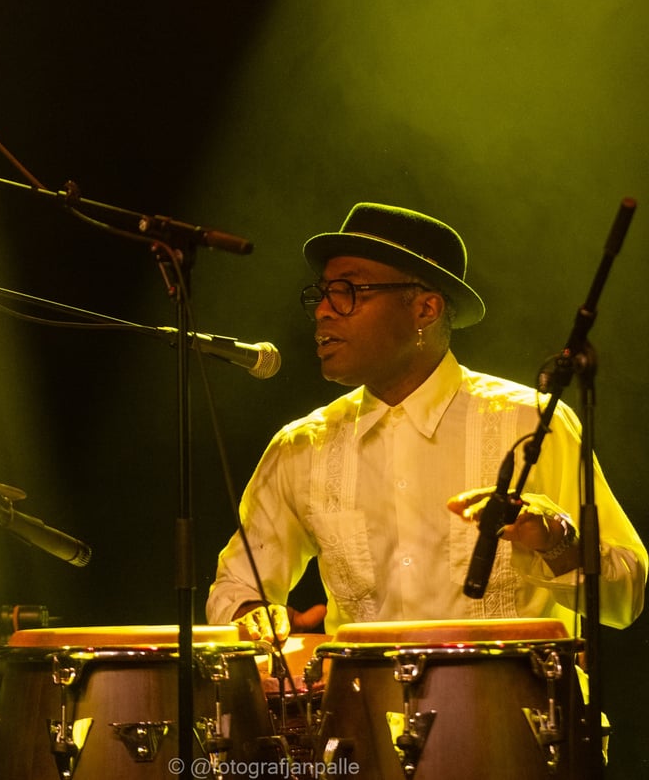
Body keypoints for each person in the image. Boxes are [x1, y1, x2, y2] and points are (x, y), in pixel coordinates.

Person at [205, 202, 647, 642]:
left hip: (519, 709)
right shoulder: (301, 446)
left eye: (348, 291)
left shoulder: (530, 422)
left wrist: (557, 542)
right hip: (365, 711)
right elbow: (238, 588)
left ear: (425, 310)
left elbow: (625, 597)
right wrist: (253, 616)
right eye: (321, 293)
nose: (323, 310)